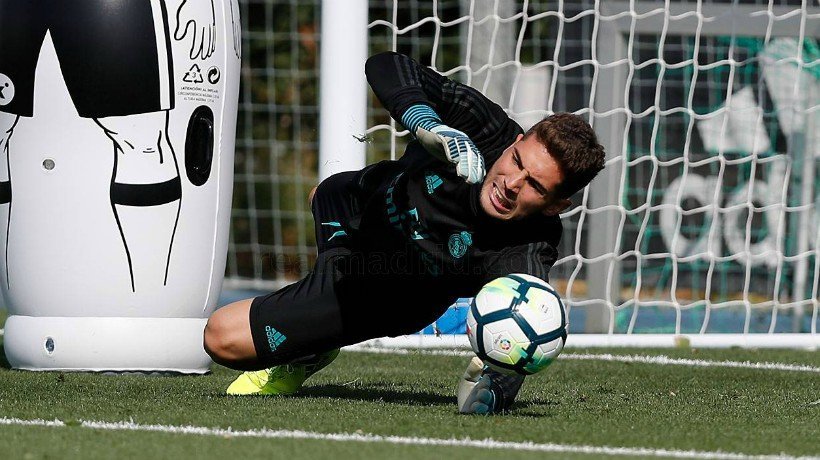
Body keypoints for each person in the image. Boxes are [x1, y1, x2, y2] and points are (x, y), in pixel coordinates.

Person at [203, 51, 605, 414]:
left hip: (381, 290)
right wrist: (425, 123)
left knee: (222, 337)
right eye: (517, 161)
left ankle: (311, 344)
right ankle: (314, 336)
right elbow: (385, 64)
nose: (513, 182)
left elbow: (526, 323)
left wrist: (496, 384)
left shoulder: (527, 249)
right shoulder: (485, 127)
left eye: (535, 185)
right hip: (355, 202)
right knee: (320, 193)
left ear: (556, 206)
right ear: (514, 142)